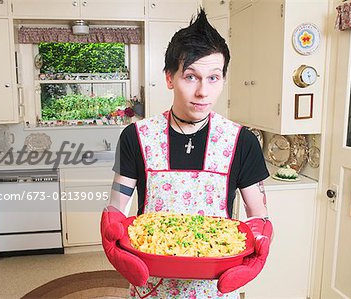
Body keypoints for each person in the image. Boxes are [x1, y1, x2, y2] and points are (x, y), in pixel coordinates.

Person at [101, 8, 273, 299]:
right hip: (152, 282)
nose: (203, 91)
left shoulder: (241, 141)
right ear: (170, 78)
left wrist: (261, 242)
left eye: (214, 78)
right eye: (191, 77)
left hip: (216, 286)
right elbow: (117, 207)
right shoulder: (136, 137)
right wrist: (110, 233)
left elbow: (258, 214)